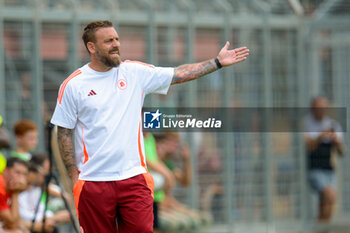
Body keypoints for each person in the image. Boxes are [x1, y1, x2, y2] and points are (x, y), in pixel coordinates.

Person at [50, 20, 249, 233]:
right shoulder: (73, 85)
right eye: (108, 41)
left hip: (134, 178)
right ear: (91, 47)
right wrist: (74, 177)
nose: (116, 44)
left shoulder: (134, 72)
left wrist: (217, 62)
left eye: (117, 39)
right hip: (93, 181)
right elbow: (64, 132)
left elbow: (178, 74)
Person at [304, 96, 345, 223]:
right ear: (312, 108)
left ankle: (321, 229)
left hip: (329, 169)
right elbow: (308, 147)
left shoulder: (333, 125)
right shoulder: (306, 124)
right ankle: (320, 229)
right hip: (314, 169)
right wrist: (321, 136)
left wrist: (335, 140)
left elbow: (342, 152)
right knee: (330, 195)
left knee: (327, 204)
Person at [19, 154, 70, 233]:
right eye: (46, 170)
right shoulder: (20, 191)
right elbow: (25, 217)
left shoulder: (37, 188)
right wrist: (54, 218)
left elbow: (66, 197)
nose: (48, 175)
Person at [0, 157, 29, 233]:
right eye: (17, 172)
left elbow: (15, 221)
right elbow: (12, 223)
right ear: (5, 171)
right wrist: (16, 193)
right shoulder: (1, 188)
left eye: (24, 174)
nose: (21, 178)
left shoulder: (9, 188)